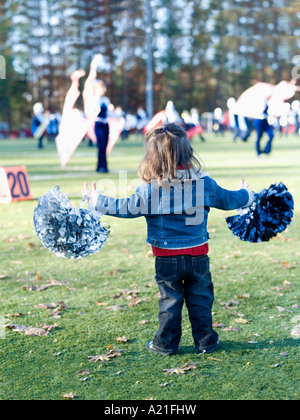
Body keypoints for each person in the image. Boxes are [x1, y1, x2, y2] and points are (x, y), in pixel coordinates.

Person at [83, 123, 254, 356]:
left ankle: (165, 345)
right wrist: (247, 195)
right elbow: (229, 199)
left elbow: (125, 208)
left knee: (170, 302)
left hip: (166, 259)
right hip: (198, 256)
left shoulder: (151, 189)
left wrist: (95, 200)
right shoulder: (204, 183)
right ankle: (206, 343)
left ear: (152, 157)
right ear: (188, 151)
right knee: (201, 300)